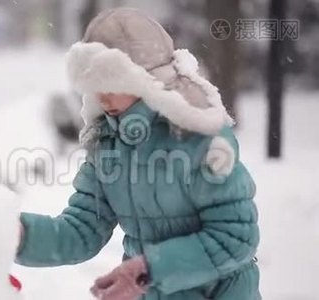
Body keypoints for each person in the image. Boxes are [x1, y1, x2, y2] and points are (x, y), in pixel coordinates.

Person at [16, 8, 261, 300]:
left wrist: (149, 270)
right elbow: (82, 230)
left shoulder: (198, 138)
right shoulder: (107, 144)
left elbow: (235, 238)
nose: (103, 95)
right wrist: (18, 235)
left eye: (112, 82)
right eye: (94, 85)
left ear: (145, 80)